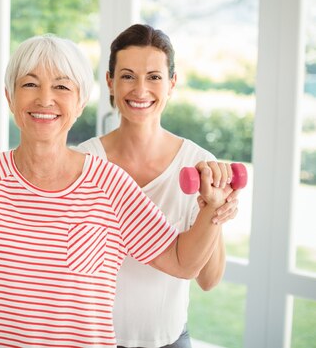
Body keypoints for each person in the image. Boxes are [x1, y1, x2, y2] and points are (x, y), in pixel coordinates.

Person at [0, 34, 238, 348]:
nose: (45, 99)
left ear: (81, 100)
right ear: (10, 98)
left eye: (62, 87)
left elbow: (183, 264)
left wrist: (210, 210)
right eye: (30, 84)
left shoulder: (112, 185)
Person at [76, 23, 239, 348]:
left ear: (171, 83)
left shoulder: (200, 164)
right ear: (110, 82)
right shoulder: (82, 162)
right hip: (93, 339)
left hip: (169, 340)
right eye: (127, 76)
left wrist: (214, 212)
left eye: (154, 77)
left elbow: (209, 279)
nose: (140, 90)